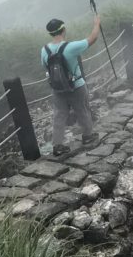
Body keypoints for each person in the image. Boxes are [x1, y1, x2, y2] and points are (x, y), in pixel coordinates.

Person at [40, 15, 101, 156]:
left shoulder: (44, 50)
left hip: (57, 88)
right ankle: (87, 137)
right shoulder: (71, 47)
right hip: (76, 86)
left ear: (50, 33)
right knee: (82, 110)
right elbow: (92, 38)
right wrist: (96, 24)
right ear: (63, 30)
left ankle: (58, 146)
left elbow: (45, 66)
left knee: (59, 115)